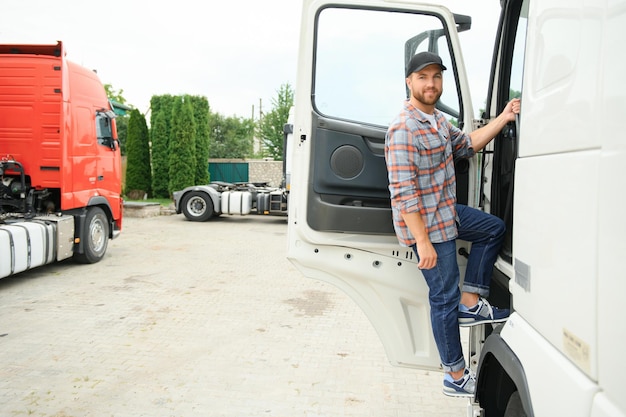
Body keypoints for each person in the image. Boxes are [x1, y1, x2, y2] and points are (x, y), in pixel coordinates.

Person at [384, 51, 521, 397]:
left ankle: (471, 301)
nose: (431, 84)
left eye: (436, 77)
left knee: (493, 228)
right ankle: (455, 375)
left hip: (447, 214)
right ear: (409, 81)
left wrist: (504, 117)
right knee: (443, 298)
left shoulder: (438, 122)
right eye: (423, 77)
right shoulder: (404, 128)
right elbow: (403, 194)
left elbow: (469, 144)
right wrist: (423, 242)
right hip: (427, 227)